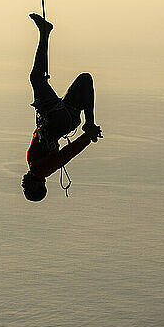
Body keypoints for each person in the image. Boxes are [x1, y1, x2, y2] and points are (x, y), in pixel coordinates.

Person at [22, 13, 102, 202]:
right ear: (37, 186)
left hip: (64, 121)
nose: (23, 185)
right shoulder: (40, 169)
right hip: (57, 120)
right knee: (36, 79)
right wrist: (86, 138)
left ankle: (89, 122)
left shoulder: (38, 168)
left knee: (85, 79)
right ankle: (44, 32)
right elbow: (66, 154)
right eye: (27, 189)